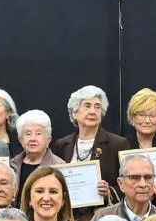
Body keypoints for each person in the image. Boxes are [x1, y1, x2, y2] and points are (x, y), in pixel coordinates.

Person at [52, 85, 129, 213]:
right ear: (74, 113)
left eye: (97, 107)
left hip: (103, 215)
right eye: (87, 106)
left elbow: (129, 182)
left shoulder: (118, 144)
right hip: (67, 215)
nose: (93, 111)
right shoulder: (61, 145)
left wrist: (108, 192)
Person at [94, 153, 156, 221]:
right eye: (134, 177)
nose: (143, 184)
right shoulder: (102, 218)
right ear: (121, 184)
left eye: (148, 177)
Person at [9, 109, 65, 195]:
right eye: (28, 134)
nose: (33, 138)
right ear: (20, 139)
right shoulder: (11, 165)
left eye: (38, 133)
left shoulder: (60, 166)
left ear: (49, 139)